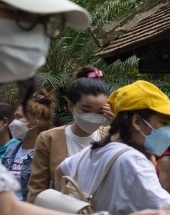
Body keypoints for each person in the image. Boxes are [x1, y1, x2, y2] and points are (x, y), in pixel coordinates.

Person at [0, 0, 170, 215]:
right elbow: (30, 199)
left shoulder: (111, 140)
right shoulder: (52, 138)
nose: (40, 38)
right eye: (25, 20)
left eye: (50, 28)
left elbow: (8, 214)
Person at [57, 80, 170, 215]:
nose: (168, 131)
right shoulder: (132, 160)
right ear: (136, 122)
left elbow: (60, 170)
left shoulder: (88, 154)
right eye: (163, 123)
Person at [28, 65, 110, 203]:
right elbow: (37, 191)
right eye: (86, 109)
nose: (93, 115)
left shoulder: (112, 136)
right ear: (70, 106)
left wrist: (119, 123)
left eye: (100, 111)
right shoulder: (49, 138)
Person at [1, 88, 52, 200]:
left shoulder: (46, 154)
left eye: (19, 117)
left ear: (34, 123)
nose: (13, 122)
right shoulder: (11, 149)